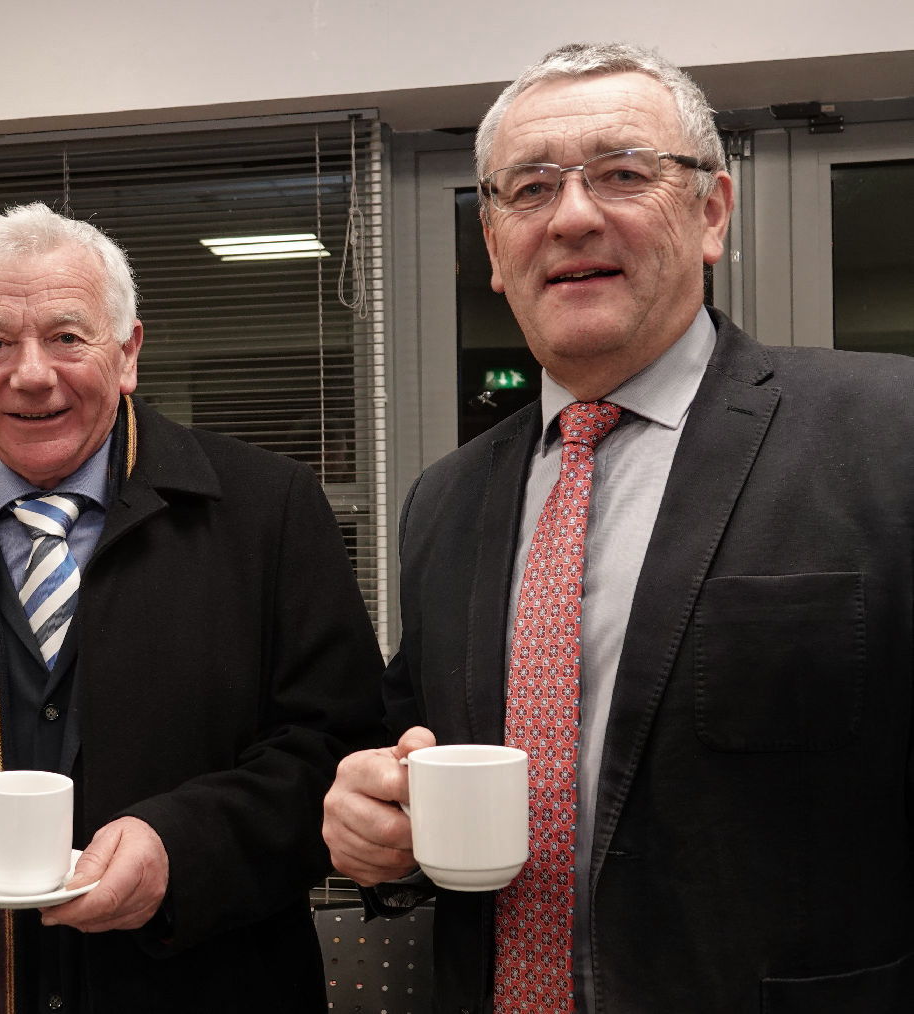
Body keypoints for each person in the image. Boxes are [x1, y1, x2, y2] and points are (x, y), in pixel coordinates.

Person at [323, 41, 914, 1013]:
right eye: (528, 189)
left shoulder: (885, 436)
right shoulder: (446, 500)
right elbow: (415, 758)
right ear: (493, 249)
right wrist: (374, 829)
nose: (572, 215)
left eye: (622, 174)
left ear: (712, 212)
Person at [0, 201, 383, 1014]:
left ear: (128, 351)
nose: (30, 373)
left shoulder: (266, 511)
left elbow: (334, 747)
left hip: (204, 987)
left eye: (68, 337)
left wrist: (179, 850)